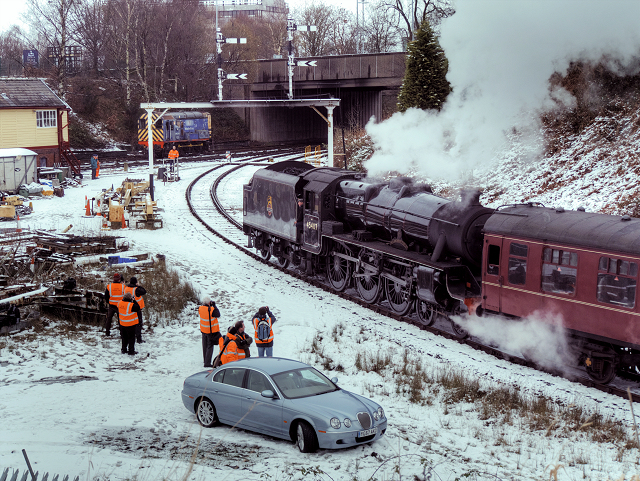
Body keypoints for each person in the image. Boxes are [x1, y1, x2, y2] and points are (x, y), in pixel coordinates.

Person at [199, 296, 221, 367]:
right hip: (210, 331)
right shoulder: (211, 309)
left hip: (203, 330)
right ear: (209, 302)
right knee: (210, 347)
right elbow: (218, 314)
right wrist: (214, 306)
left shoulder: (200, 308)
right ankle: (207, 363)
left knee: (204, 346)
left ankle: (205, 360)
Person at [125, 277, 147, 343]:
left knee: (130, 323)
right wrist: (138, 286)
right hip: (137, 308)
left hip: (128, 308)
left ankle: (130, 337)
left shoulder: (126, 288)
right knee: (138, 324)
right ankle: (139, 339)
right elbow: (144, 291)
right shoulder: (136, 289)